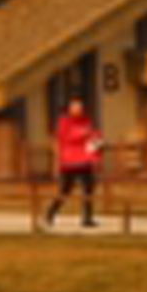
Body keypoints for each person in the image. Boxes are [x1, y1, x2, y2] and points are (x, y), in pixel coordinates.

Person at [42, 96, 104, 229]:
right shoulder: (64, 122)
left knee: (88, 189)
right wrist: (57, 161)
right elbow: (60, 141)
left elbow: (93, 137)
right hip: (69, 161)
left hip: (85, 160)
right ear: (70, 110)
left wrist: (96, 147)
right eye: (75, 108)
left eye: (80, 108)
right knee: (65, 191)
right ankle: (50, 214)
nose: (78, 110)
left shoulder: (86, 122)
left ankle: (87, 218)